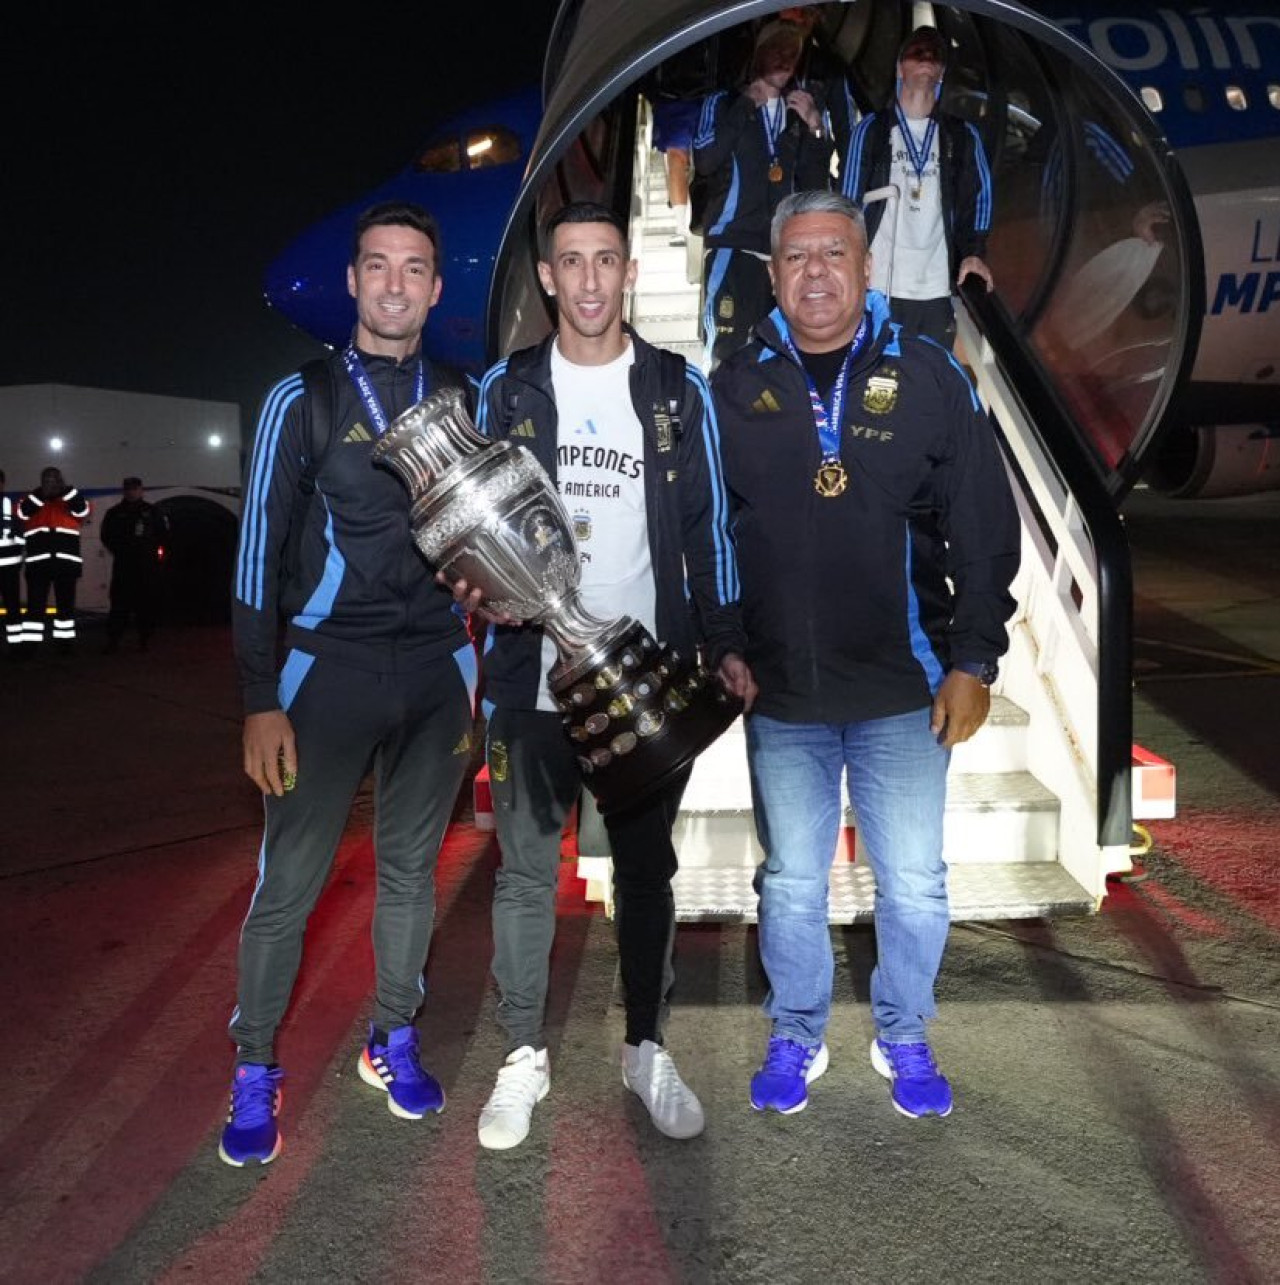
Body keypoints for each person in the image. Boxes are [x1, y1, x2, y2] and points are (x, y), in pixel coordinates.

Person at [710, 190, 1019, 1118]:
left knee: (917, 882)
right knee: (792, 883)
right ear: (772, 275)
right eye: (796, 257)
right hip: (785, 694)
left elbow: (982, 521)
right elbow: (709, 533)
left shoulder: (927, 373)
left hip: (904, 689)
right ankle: (796, 1033)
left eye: (833, 254)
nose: (815, 273)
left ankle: (905, 1033)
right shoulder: (733, 383)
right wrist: (723, 641)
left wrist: (977, 656)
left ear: (867, 265)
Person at [457, 200, 754, 1150]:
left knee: (646, 871)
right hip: (530, 685)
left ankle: (645, 1045)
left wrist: (726, 639)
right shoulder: (504, 391)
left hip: (640, 683)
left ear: (628, 271)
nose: (588, 281)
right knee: (525, 874)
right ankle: (521, 1055)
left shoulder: (676, 388)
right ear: (547, 277)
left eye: (605, 261)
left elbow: (711, 527)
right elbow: (463, 535)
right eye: (571, 263)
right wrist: (471, 585)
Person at [220, 200, 479, 1167]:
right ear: (353, 282)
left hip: (437, 671)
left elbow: (483, 539)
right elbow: (255, 560)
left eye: (415, 268)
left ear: (436, 288)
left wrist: (481, 629)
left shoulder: (464, 395)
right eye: (378, 266)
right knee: (288, 882)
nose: (396, 285)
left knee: (413, 873)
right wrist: (258, 696)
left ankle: (392, 1037)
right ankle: (254, 1067)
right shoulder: (306, 398)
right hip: (322, 671)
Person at [839, 25, 994, 346]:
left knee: (929, 383)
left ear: (941, 73)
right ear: (899, 68)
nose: (926, 59)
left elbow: (979, 199)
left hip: (934, 287)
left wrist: (974, 253)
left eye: (934, 56)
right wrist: (848, 262)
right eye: (916, 52)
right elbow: (847, 202)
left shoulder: (962, 136)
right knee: (873, 385)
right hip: (878, 284)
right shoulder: (871, 131)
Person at [692, 18, 834, 370]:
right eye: (777, 50)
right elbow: (706, 159)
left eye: (792, 52)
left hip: (781, 254)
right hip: (732, 246)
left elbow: (813, 183)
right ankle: (718, 422)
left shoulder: (798, 111)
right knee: (727, 354)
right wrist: (746, 105)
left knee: (779, 358)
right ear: (758, 55)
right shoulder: (723, 102)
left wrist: (816, 128)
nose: (785, 58)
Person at [18, 466, 91, 651]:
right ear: (41, 482)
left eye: (54, 479)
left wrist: (65, 490)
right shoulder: (31, 499)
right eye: (47, 480)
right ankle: (30, 645)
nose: (51, 483)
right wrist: (41, 494)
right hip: (38, 565)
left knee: (65, 607)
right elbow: (22, 513)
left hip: (66, 565)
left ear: (61, 480)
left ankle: (64, 644)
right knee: (35, 608)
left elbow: (82, 510)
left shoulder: (71, 499)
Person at [100, 476, 169, 652]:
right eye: (128, 489)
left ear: (141, 490)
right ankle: (113, 640)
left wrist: (153, 554)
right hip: (124, 565)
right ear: (124, 491)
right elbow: (106, 536)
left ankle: (144, 640)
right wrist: (120, 550)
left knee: (145, 604)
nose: (131, 492)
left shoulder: (152, 511)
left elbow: (163, 535)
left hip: (146, 566)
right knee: (119, 605)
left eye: (135, 488)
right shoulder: (114, 512)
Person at [0, 470, 25, 656]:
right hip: (10, 568)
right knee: (12, 608)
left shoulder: (11, 506)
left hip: (9, 568)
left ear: (3, 483)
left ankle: (16, 647)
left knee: (13, 609)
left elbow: (22, 537)